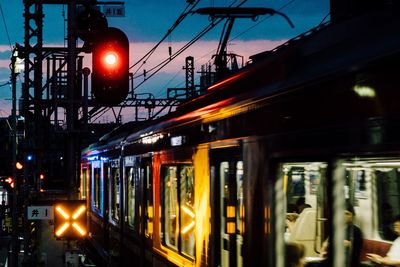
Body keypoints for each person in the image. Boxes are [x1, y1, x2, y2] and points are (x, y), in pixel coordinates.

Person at [320, 201, 363, 267]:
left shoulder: (356, 231)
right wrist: (323, 251)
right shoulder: (336, 229)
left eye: (347, 214)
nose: (344, 216)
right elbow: (326, 244)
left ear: (352, 216)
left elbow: (355, 251)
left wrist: (348, 244)